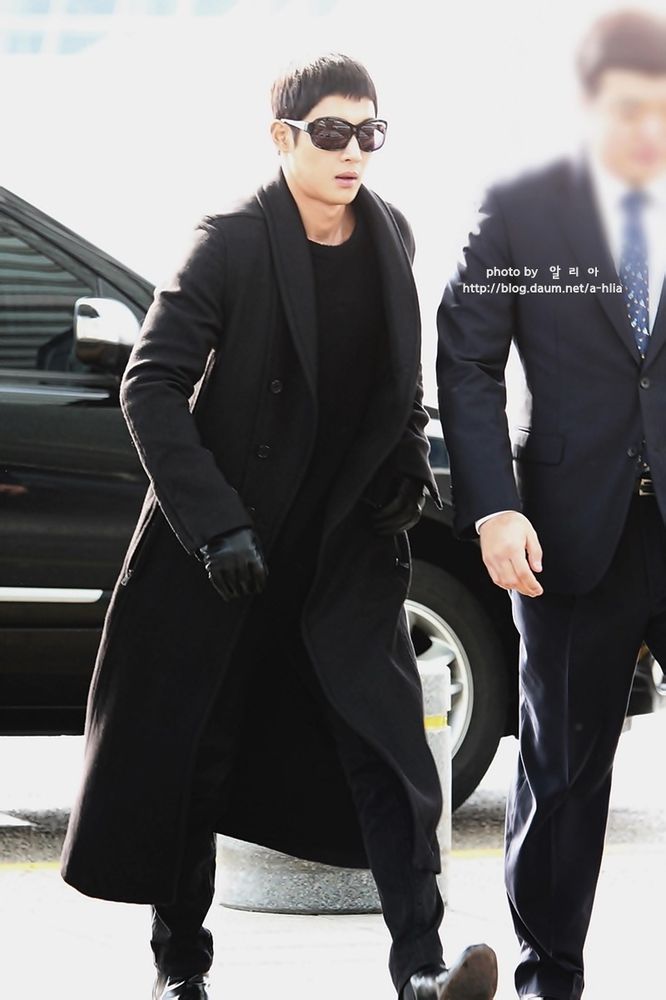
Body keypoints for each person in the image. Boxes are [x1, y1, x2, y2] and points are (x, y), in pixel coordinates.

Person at [60, 53, 498, 1000]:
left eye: (370, 132)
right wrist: (215, 526)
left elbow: (397, 386)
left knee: (391, 756)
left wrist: (404, 469)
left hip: (339, 553)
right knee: (197, 762)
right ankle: (180, 969)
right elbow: (150, 385)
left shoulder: (391, 234)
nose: (353, 152)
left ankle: (422, 970)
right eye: (332, 132)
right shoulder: (227, 242)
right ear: (282, 136)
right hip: (227, 558)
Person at [436, 9, 666, 1000]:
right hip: (570, 532)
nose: (649, 131)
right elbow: (467, 359)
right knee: (564, 773)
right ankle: (549, 979)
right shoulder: (524, 207)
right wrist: (495, 509)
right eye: (628, 111)